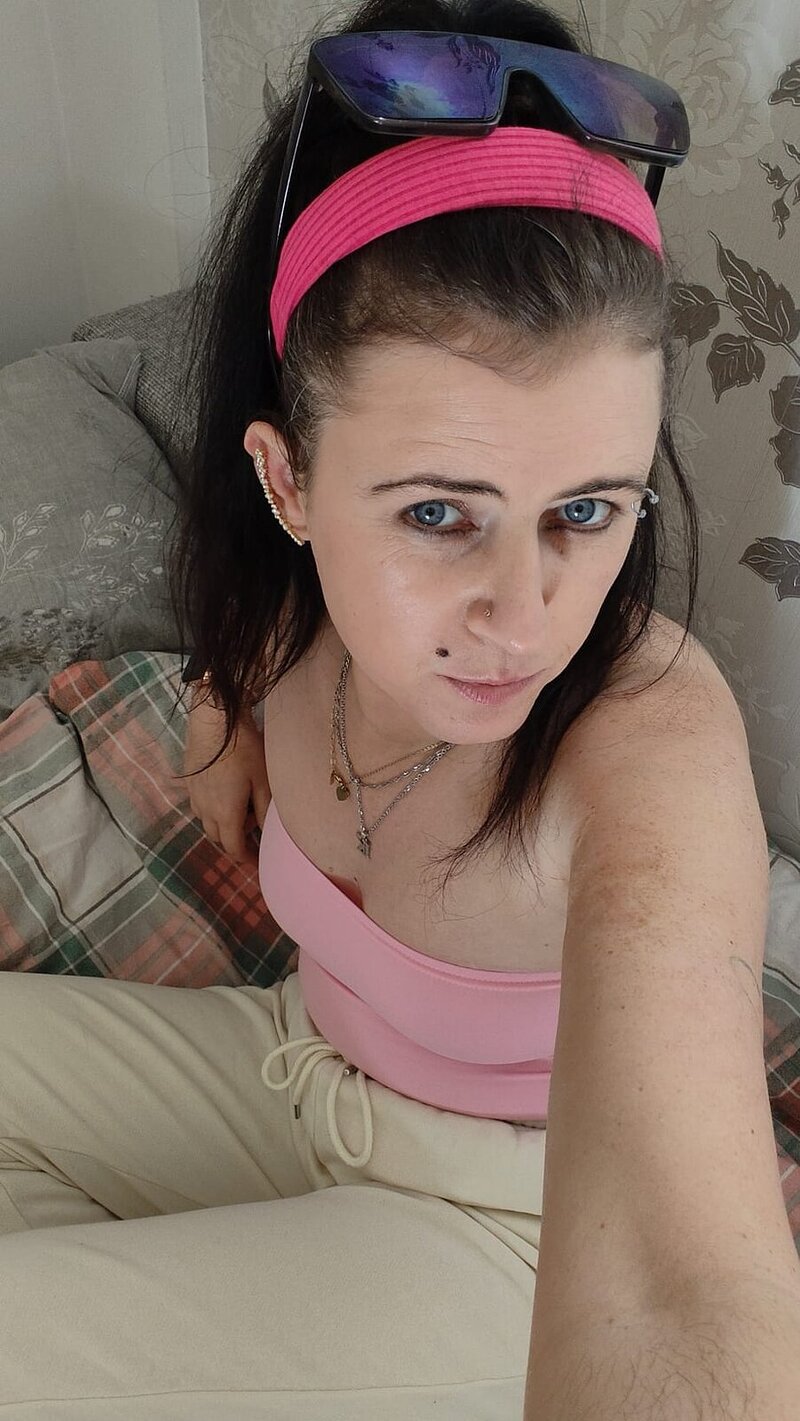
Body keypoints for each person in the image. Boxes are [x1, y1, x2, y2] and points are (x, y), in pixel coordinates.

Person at [7, 2, 795, 1418]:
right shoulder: (288, 615)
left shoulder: (650, 738)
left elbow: (688, 1288)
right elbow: (237, 656)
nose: (524, 618)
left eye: (586, 510)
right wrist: (222, 705)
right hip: (299, 1071)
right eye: (439, 513)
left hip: (511, 1235)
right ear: (288, 482)